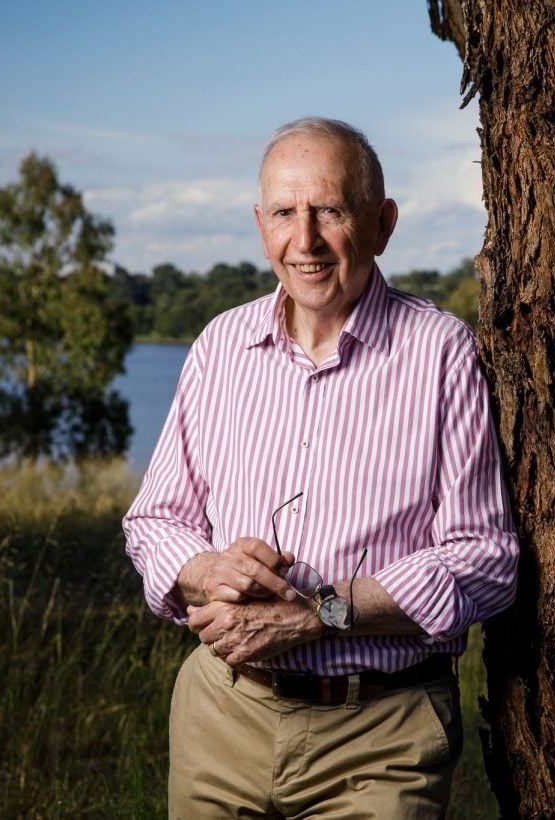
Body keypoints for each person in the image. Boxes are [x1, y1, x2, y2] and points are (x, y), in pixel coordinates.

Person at [123, 117, 518, 819]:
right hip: (222, 715)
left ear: (381, 222)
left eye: (329, 211)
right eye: (283, 213)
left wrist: (318, 614)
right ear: (259, 222)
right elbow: (156, 519)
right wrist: (205, 570)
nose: (303, 241)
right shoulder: (221, 345)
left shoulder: (441, 353)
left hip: (380, 736)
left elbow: (485, 561)